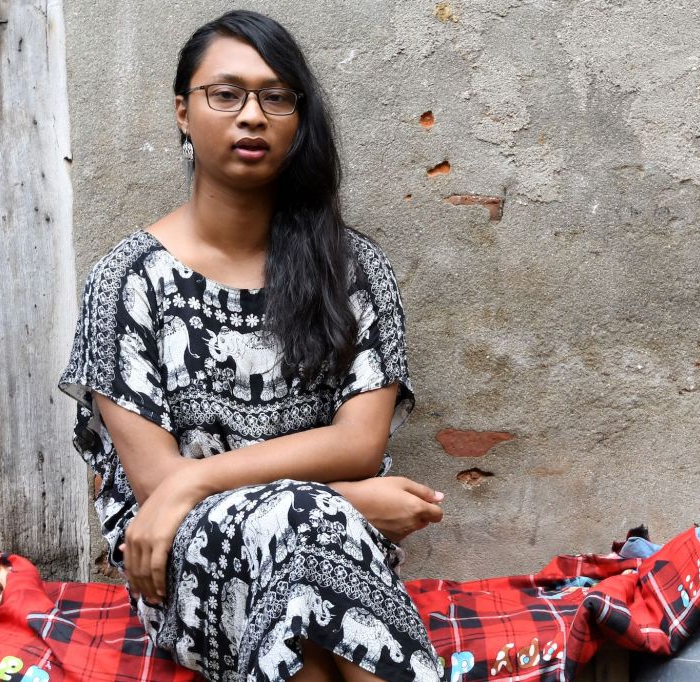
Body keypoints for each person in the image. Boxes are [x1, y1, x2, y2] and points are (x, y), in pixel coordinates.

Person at [58, 9, 445, 682]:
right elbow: (156, 485)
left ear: (298, 119)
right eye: (226, 94)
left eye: (276, 97)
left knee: (309, 571)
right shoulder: (126, 282)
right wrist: (350, 500)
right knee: (305, 534)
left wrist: (207, 478)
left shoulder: (351, 269)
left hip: (330, 547)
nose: (252, 115)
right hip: (186, 560)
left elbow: (357, 443)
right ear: (183, 111)